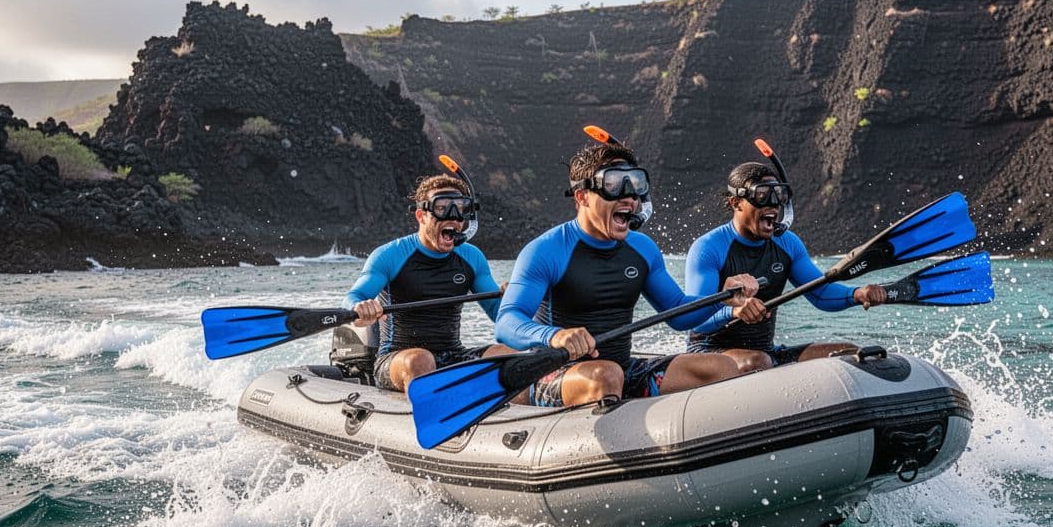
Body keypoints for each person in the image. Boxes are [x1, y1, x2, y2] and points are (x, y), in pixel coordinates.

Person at [495, 139, 762, 407]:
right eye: (612, 186)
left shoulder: (643, 249)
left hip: (622, 370)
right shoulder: (546, 250)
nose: (629, 198)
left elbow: (681, 315)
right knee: (606, 375)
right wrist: (554, 335)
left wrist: (722, 296)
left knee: (722, 367)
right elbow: (506, 323)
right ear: (581, 197)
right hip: (557, 374)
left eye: (635, 188)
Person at [685, 161, 886, 373]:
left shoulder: (788, 243)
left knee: (850, 353)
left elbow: (820, 293)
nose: (773, 205)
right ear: (736, 202)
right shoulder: (708, 248)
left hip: (766, 353)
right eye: (762, 196)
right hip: (707, 352)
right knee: (759, 362)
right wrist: (734, 312)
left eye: (779, 196)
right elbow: (697, 322)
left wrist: (858, 294)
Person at [344, 169, 513, 393]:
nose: (453, 217)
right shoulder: (390, 255)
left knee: (509, 355)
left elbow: (501, 316)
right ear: (421, 216)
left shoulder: (472, 257)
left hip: (453, 354)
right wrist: (360, 308)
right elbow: (352, 298)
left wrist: (517, 298)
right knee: (421, 360)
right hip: (397, 359)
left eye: (460, 209)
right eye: (442, 209)